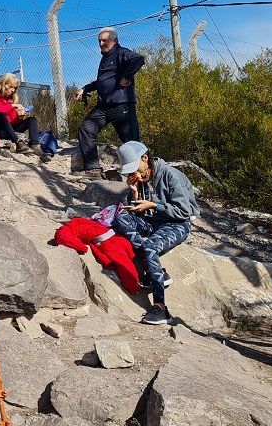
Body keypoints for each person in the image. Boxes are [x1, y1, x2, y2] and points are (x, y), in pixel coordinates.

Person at [110, 141, 199, 325]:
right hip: (154, 221)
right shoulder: (141, 178)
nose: (134, 173)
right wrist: (134, 195)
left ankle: (160, 307)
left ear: (145, 158)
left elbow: (184, 212)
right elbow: (140, 210)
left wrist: (153, 205)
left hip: (177, 224)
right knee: (121, 219)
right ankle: (154, 270)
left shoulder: (170, 175)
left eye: (135, 167)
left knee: (151, 247)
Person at [76, 27, 145, 178]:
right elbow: (102, 81)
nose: (101, 43)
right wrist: (84, 89)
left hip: (121, 105)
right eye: (99, 41)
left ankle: (144, 176)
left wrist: (126, 77)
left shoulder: (121, 53)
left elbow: (138, 59)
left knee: (132, 143)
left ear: (114, 40)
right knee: (86, 129)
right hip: (104, 106)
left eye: (104, 40)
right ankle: (93, 169)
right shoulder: (105, 57)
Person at [0, 73, 47, 160]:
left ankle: (35, 145)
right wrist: (12, 106)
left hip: (8, 130)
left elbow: (11, 121)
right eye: (11, 87)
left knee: (32, 120)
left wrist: (19, 117)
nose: (13, 90)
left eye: (15, 88)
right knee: (0, 115)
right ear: (4, 84)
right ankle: (18, 142)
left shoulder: (10, 100)